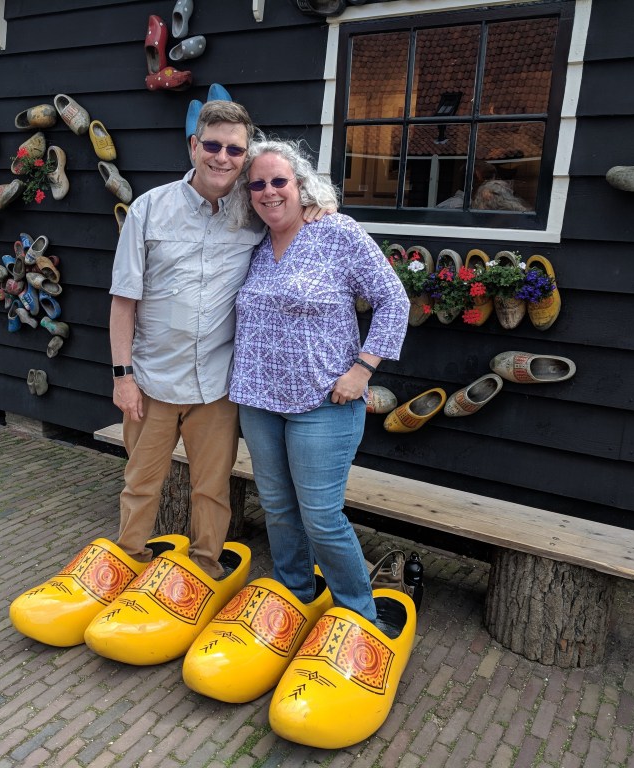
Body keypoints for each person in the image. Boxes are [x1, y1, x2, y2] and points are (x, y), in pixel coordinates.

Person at [108, 102, 329, 578]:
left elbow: (292, 208)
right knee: (140, 484)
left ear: (244, 156)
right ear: (194, 146)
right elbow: (123, 301)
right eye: (212, 145)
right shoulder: (149, 209)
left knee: (212, 490)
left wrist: (317, 206)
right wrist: (122, 376)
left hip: (217, 385)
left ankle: (203, 572)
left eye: (234, 149)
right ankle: (126, 567)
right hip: (152, 381)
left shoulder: (255, 211)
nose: (222, 157)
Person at [225, 138, 410, 623]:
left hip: (325, 401)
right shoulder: (253, 242)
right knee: (277, 509)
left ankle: (359, 615)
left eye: (279, 181)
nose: (268, 192)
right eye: (257, 185)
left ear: (300, 184)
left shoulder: (336, 232)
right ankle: (297, 596)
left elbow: (394, 300)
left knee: (322, 518)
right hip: (259, 401)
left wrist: (363, 369)